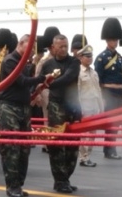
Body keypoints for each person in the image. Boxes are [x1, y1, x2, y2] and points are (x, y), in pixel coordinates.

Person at [0, 33, 54, 197]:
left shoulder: (24, 63)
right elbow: (21, 81)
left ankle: (18, 185)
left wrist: (37, 89)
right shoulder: (10, 61)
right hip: (9, 108)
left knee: (24, 149)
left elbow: (26, 86)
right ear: (21, 43)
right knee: (11, 148)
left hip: (23, 108)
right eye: (29, 47)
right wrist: (42, 78)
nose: (31, 52)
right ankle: (12, 186)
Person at [39, 34, 80, 194]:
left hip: (73, 107)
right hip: (56, 107)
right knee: (57, 145)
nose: (64, 49)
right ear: (53, 47)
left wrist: (51, 83)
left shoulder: (74, 62)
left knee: (73, 146)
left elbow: (69, 77)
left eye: (65, 45)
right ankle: (60, 180)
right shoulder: (47, 64)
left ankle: (65, 178)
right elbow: (40, 80)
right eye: (60, 46)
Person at [94, 18, 122, 160]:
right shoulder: (102, 58)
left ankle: (112, 148)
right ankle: (108, 150)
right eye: (113, 40)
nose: (116, 42)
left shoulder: (119, 58)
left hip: (119, 93)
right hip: (108, 93)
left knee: (117, 123)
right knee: (110, 124)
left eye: (116, 40)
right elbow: (98, 79)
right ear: (107, 41)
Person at [75, 44, 103, 168]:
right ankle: (83, 157)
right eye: (87, 56)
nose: (90, 59)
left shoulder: (94, 73)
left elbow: (98, 91)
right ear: (81, 58)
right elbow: (78, 91)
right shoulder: (79, 73)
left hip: (94, 106)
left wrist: (101, 107)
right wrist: (79, 108)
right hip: (84, 106)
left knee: (93, 133)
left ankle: (88, 156)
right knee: (85, 133)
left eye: (91, 56)